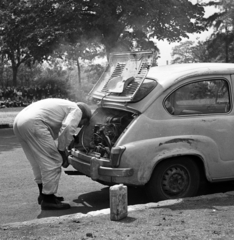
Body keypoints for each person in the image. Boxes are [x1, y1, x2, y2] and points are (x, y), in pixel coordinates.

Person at [13, 98, 92, 210]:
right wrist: (61, 150)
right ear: (84, 116)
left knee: (37, 162)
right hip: (34, 123)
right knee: (53, 161)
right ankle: (48, 200)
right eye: (82, 123)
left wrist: (64, 145)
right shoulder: (77, 110)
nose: (79, 126)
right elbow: (68, 127)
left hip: (19, 121)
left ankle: (44, 195)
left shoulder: (64, 105)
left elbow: (61, 129)